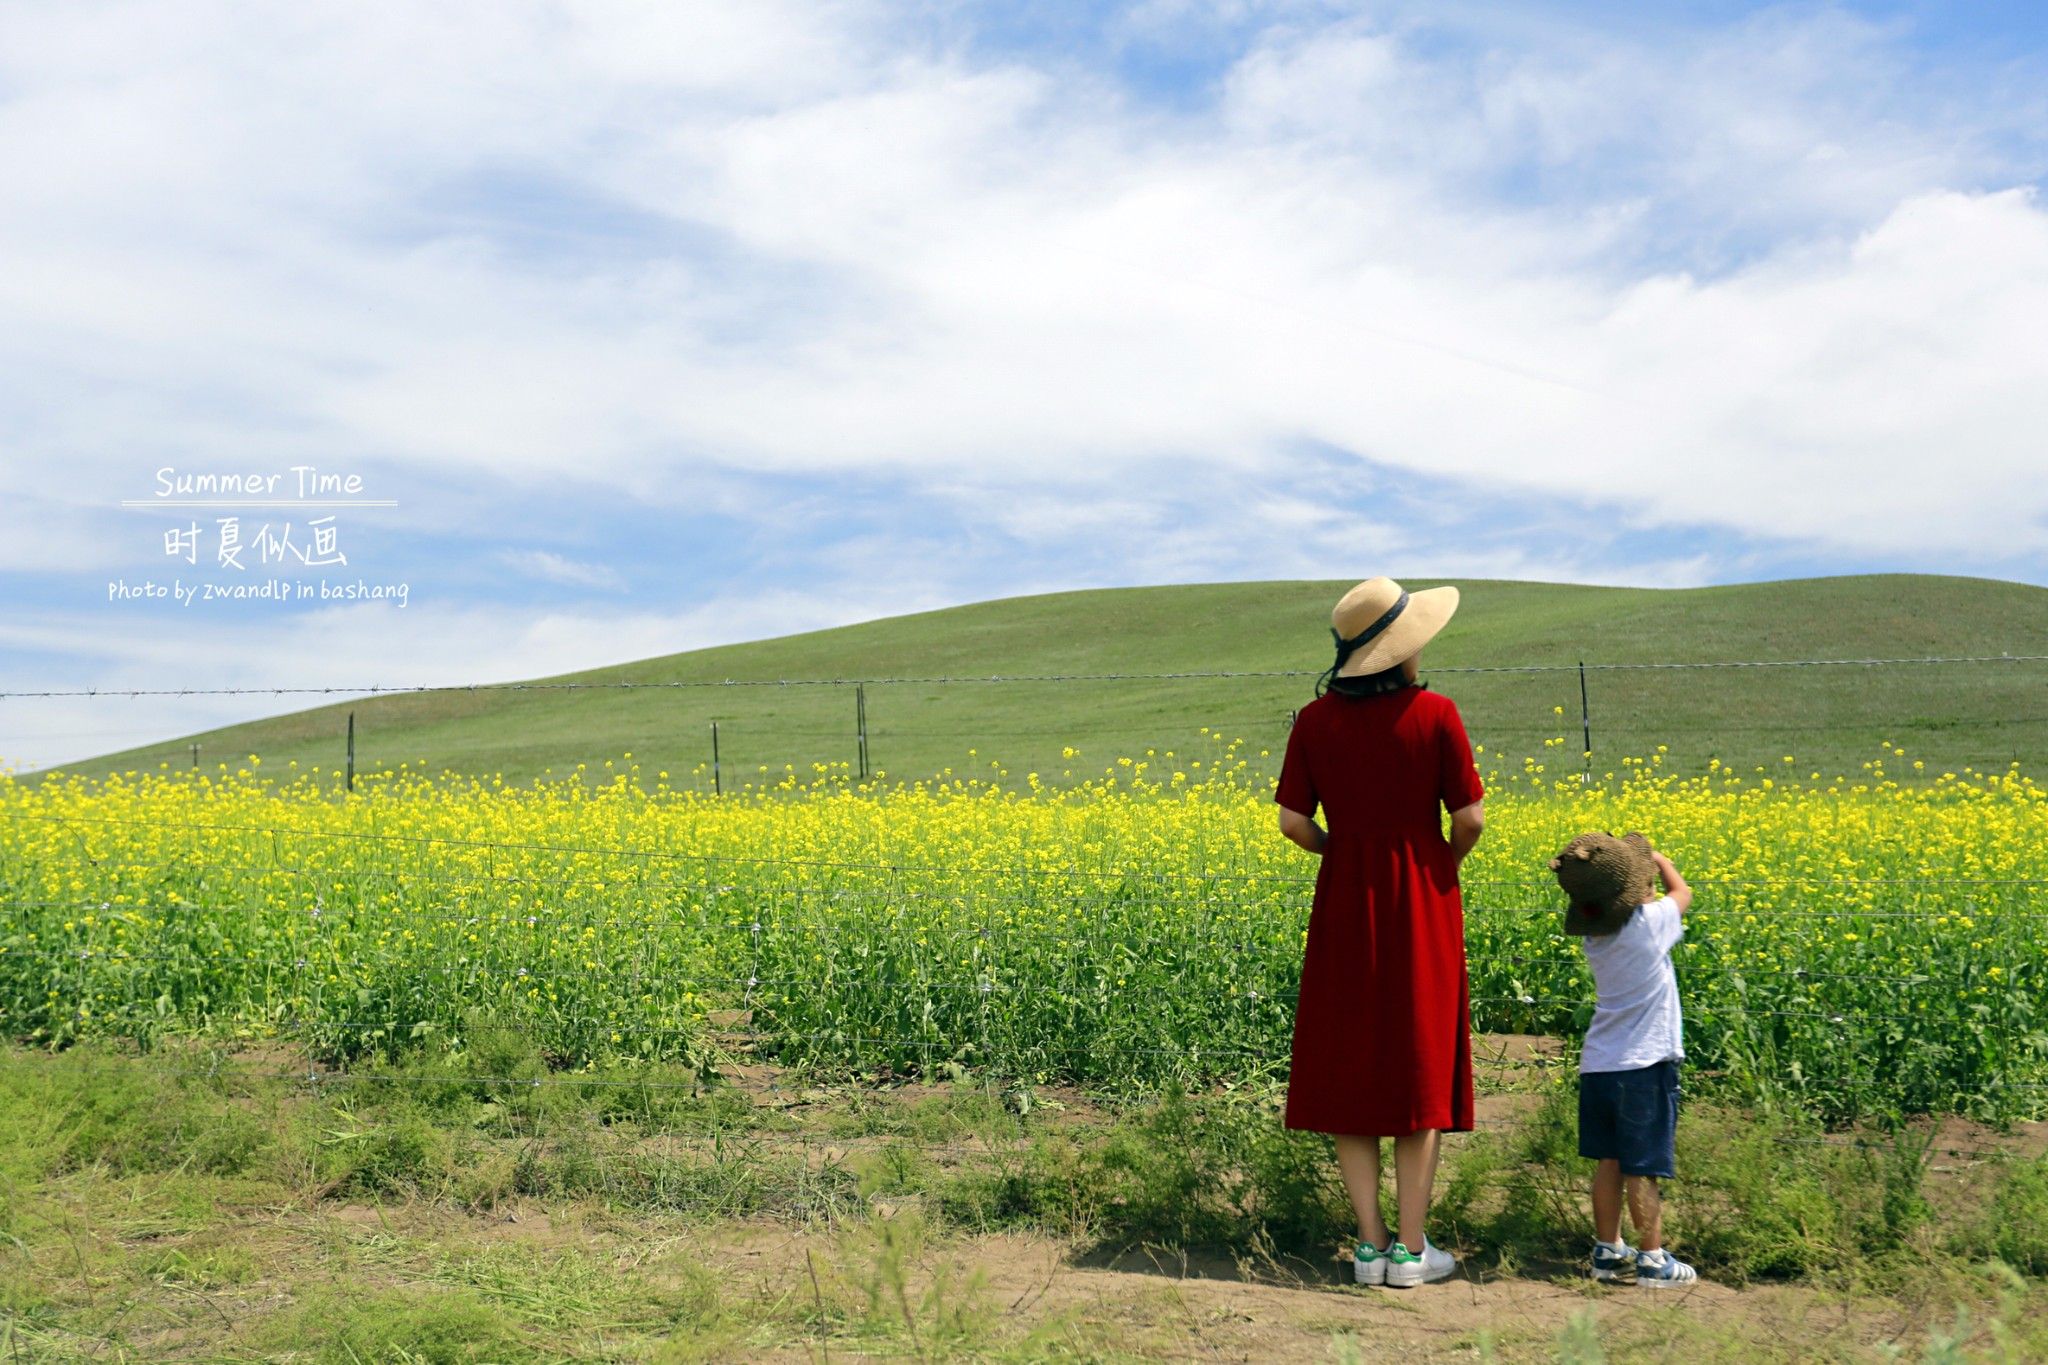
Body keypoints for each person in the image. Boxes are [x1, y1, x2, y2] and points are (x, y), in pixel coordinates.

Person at [1274, 576, 1485, 1289]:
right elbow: (1471, 819)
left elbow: (1293, 821)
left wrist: (1343, 852)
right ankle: (1412, 1251)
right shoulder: (1437, 713)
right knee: (1416, 1065)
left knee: (1351, 1067)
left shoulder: (1312, 720)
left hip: (1344, 903)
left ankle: (1368, 1247)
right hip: (1421, 902)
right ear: (1404, 650)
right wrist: (1435, 864)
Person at [1550, 830, 1700, 1288]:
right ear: (1635, 893)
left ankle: (1607, 1251)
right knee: (1643, 1166)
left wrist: (1636, 877)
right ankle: (1652, 1258)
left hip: (1599, 1066)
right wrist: (1657, 858)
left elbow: (1640, 900)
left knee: (1608, 1161)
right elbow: (1683, 893)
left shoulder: (1596, 938)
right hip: (1645, 1065)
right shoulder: (1651, 924)